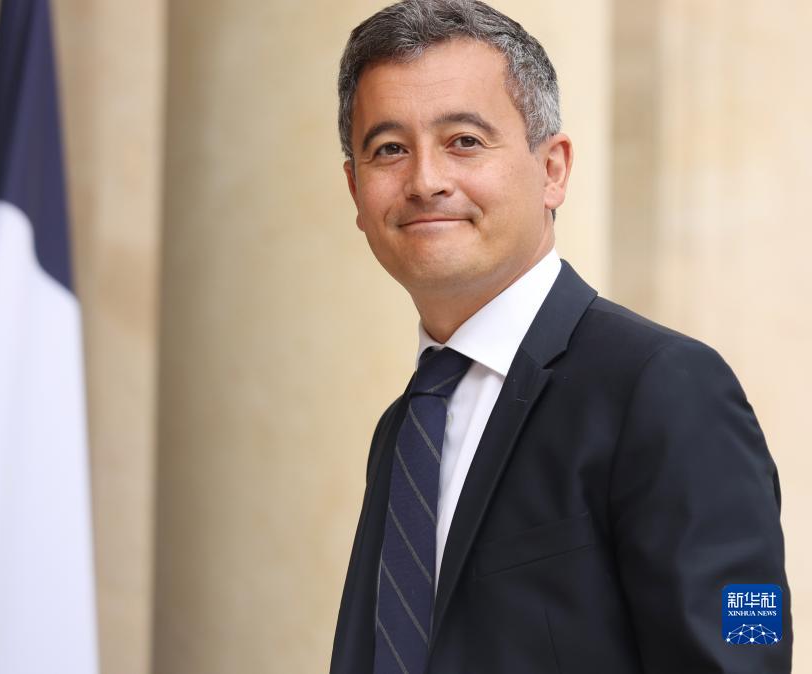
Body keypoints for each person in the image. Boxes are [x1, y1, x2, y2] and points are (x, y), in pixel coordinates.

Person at [328, 1, 791, 673]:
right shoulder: (405, 429)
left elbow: (743, 652)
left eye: (464, 141)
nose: (425, 180)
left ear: (553, 170)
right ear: (355, 190)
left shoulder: (663, 387)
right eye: (390, 149)